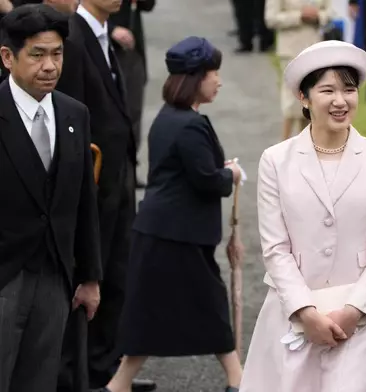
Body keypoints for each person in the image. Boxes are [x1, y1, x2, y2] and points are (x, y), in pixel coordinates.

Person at [239, 40, 366, 392]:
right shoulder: (276, 160)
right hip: (293, 312)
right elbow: (275, 248)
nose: (340, 101)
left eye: (349, 89)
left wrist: (353, 310)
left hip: (360, 317)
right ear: (304, 97)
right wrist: (305, 311)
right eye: (327, 90)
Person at [98, 36, 244, 392]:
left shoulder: (171, 118)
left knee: (149, 312)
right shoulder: (190, 124)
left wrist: (218, 169)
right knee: (208, 305)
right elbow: (206, 180)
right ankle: (239, 380)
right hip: (176, 235)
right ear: (196, 78)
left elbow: (188, 169)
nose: (219, 81)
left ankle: (119, 384)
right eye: (213, 73)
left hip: (165, 232)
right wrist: (231, 174)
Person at [0, 4, 101, 391]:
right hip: (5, 273)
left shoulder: (74, 114)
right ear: (8, 57)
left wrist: (90, 276)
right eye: (37, 55)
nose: (50, 66)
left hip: (55, 276)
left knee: (41, 379)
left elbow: (84, 202)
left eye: (57, 54)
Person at [53, 0, 140, 389]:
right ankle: (79, 375)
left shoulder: (105, 35)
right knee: (87, 276)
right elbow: (69, 113)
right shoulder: (72, 37)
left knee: (117, 272)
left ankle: (108, 372)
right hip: (93, 178)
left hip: (119, 177)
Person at [264, 0, 335, 141]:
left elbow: (330, 13)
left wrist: (318, 16)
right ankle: (285, 144)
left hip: (315, 49)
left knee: (312, 98)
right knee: (293, 98)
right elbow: (271, 18)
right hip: (290, 50)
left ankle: (308, 144)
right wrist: (299, 16)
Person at [109, 0, 156, 186]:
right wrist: (110, 29)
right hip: (106, 45)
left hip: (131, 49)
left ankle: (129, 168)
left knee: (133, 112)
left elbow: (147, 5)